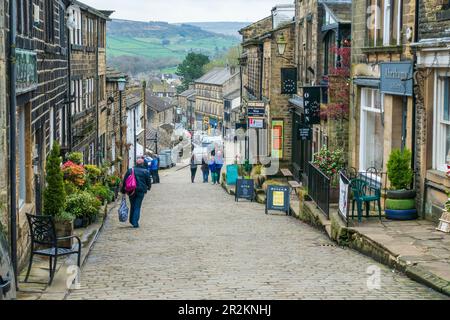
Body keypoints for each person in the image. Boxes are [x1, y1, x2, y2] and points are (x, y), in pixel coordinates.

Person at [121, 158, 152, 228]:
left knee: (133, 205)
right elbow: (148, 181)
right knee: (137, 206)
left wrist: (123, 190)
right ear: (143, 164)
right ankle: (135, 222)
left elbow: (125, 181)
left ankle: (132, 220)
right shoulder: (145, 171)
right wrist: (148, 187)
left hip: (131, 190)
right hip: (141, 191)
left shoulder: (130, 170)